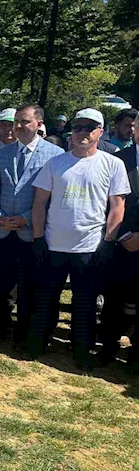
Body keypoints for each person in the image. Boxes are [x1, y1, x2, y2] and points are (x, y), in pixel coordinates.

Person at [28, 108, 129, 369]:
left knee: (84, 303)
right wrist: (38, 237)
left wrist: (108, 241)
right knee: (46, 299)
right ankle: (38, 344)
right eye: (78, 127)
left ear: (100, 131)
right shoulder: (56, 163)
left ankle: (81, 351)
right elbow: (40, 203)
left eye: (89, 127)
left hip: (90, 245)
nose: (82, 132)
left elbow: (117, 206)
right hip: (53, 243)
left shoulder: (112, 164)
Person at [0, 104, 64, 346]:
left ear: (39, 124)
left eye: (25, 122)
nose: (18, 126)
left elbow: (52, 198)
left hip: (31, 233)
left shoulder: (54, 155)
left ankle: (24, 337)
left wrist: (25, 219)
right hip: (2, 230)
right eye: (16, 121)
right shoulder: (3, 153)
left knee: (30, 289)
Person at [100, 114, 139, 372]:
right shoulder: (118, 161)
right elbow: (108, 201)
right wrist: (123, 234)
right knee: (114, 297)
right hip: (121, 242)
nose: (134, 127)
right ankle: (107, 346)